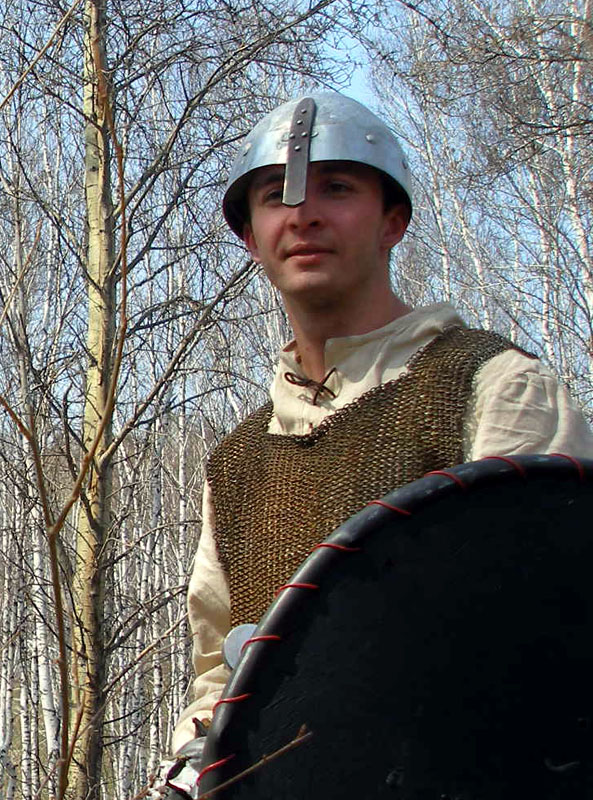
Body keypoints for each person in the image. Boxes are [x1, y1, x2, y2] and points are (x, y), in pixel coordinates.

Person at [162, 91, 593, 796]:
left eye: (336, 188)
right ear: (250, 238)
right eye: (275, 197)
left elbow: (548, 642)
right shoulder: (238, 460)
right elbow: (219, 678)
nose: (303, 215)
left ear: (392, 221)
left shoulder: (492, 386)